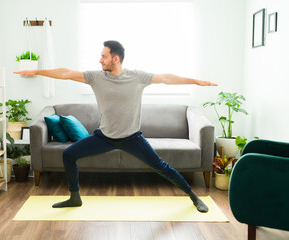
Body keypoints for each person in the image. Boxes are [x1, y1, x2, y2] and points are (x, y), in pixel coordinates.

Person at [14, 40, 218, 213]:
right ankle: (75, 197)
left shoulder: (137, 77)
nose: (100, 60)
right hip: (104, 137)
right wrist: (38, 71)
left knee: (161, 167)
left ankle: (193, 196)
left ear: (116, 58)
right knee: (69, 155)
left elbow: (166, 78)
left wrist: (196, 81)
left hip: (132, 138)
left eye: (103, 56)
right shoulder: (95, 77)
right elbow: (66, 73)